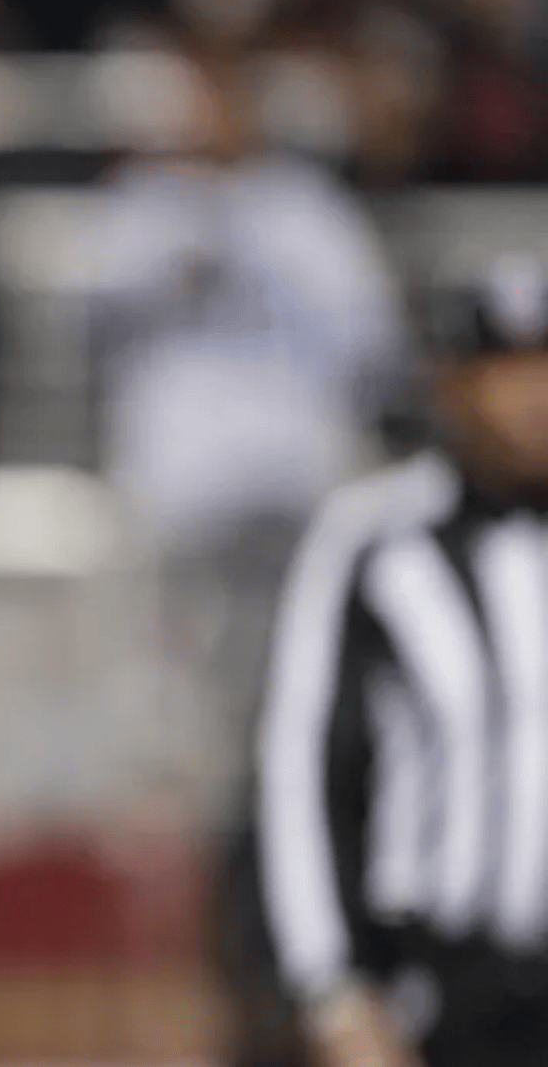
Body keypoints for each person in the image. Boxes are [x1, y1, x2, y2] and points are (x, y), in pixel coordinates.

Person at [247, 255, 548, 1067]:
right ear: (453, 385)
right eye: (507, 370)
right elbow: (306, 763)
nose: (533, 398)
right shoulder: (374, 538)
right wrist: (334, 987)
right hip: (440, 985)